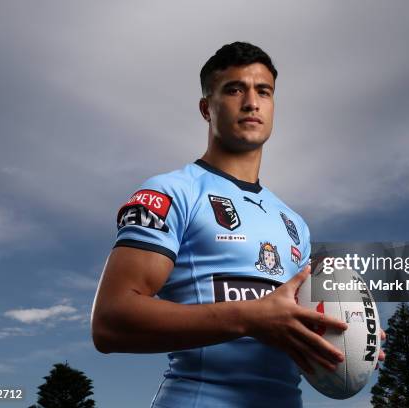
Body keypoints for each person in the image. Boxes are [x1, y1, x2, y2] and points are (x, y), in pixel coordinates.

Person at [91, 41, 384, 408]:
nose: (251, 102)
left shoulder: (294, 223)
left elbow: (292, 326)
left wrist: (350, 334)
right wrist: (249, 318)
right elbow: (110, 322)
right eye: (234, 89)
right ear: (206, 108)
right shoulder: (171, 192)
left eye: (264, 91)